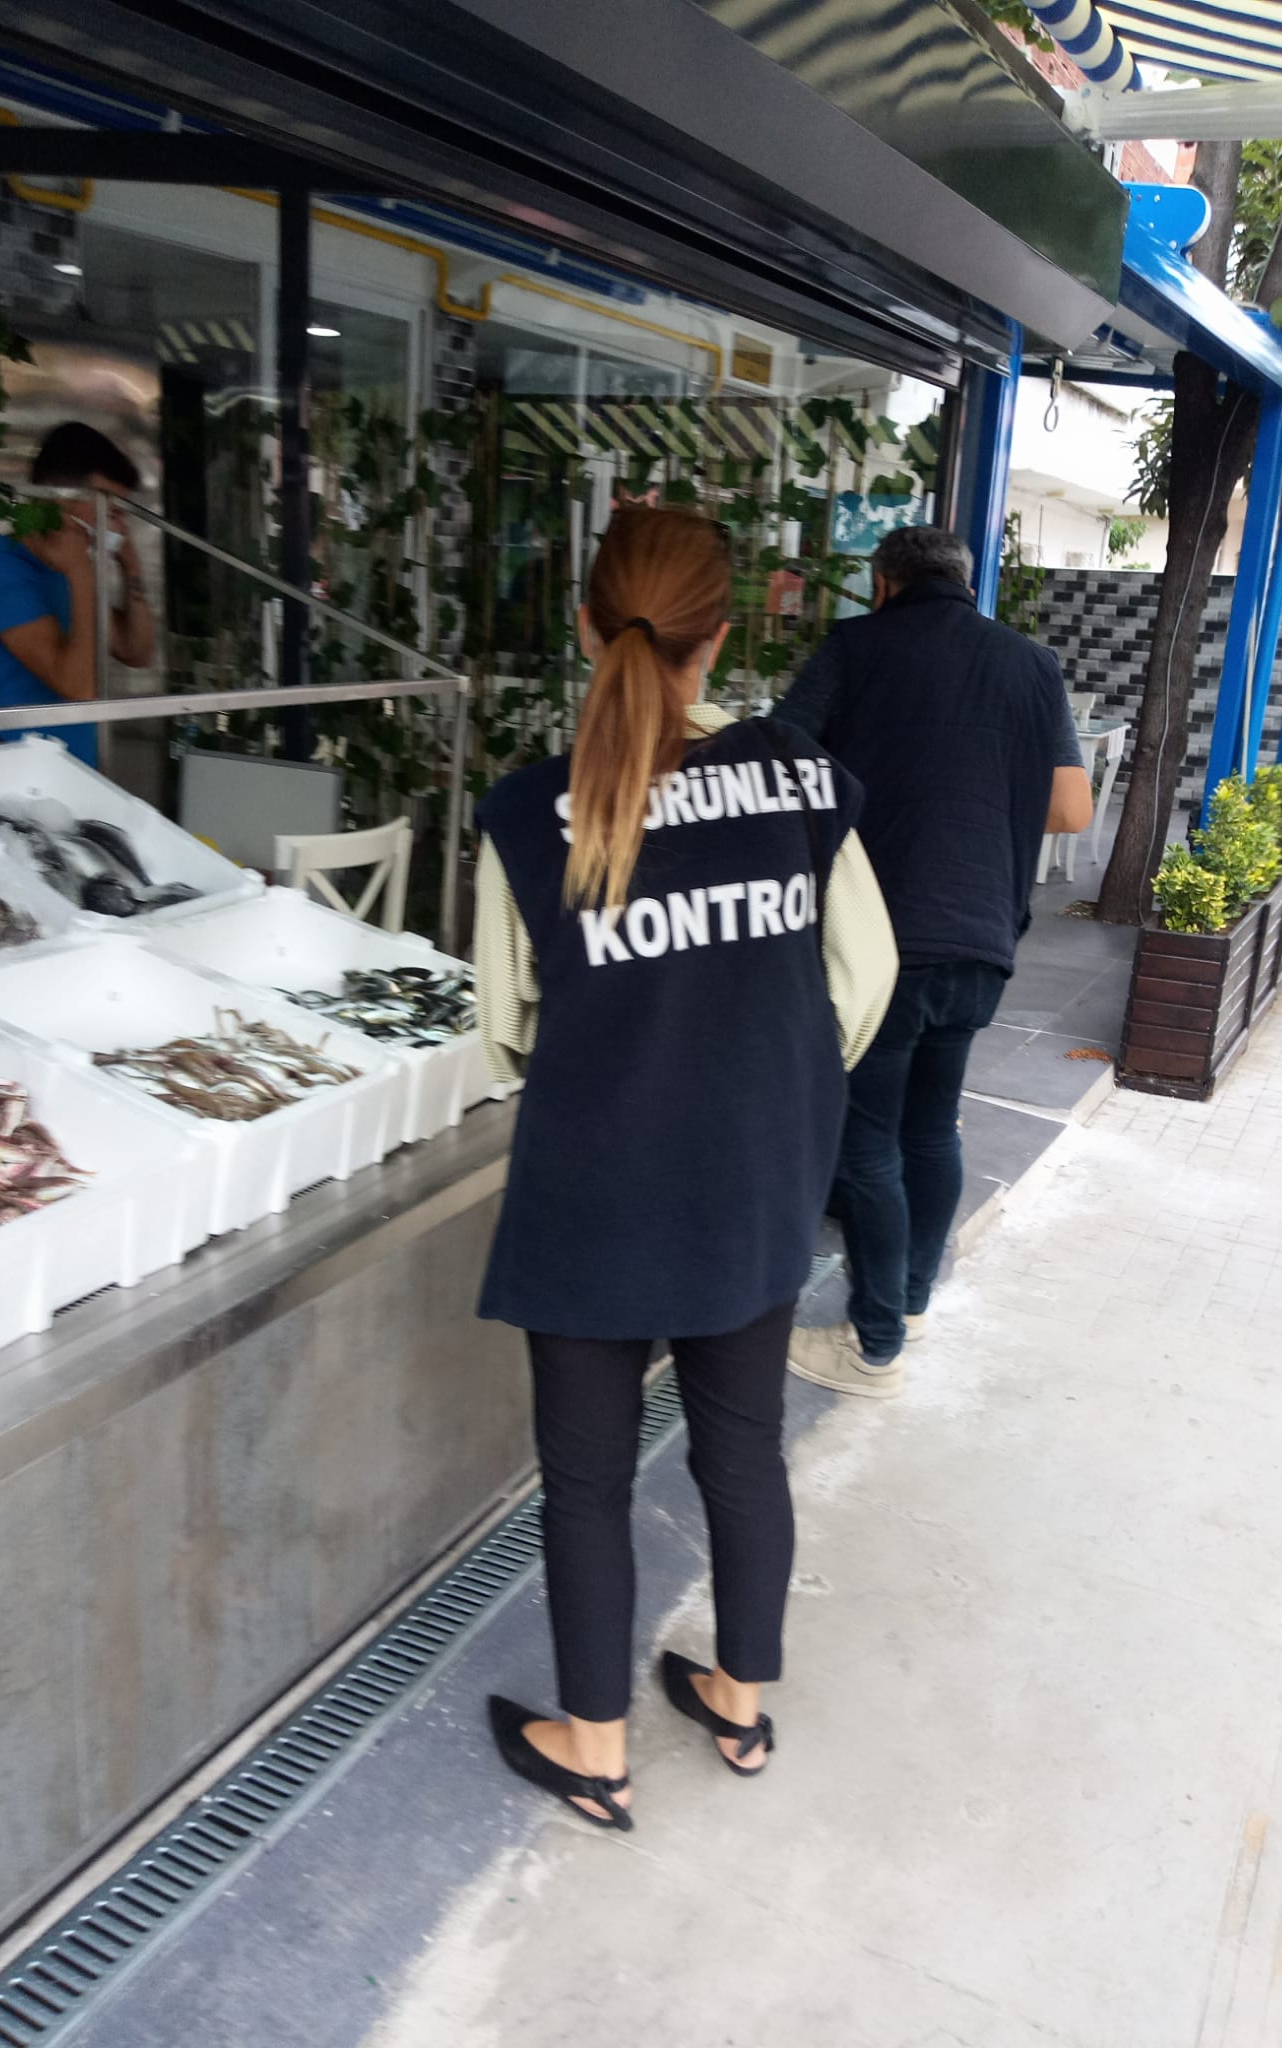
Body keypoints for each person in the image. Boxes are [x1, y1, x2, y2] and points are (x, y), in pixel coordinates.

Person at [473, 506, 898, 1831]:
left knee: (587, 1479)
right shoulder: (798, 779)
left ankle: (593, 1750)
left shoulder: (530, 810)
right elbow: (865, 976)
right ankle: (738, 1702)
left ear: (584, 626)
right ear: (721, 637)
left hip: (592, 1188)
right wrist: (766, 1076)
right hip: (751, 1179)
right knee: (744, 1447)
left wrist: (619, 1066)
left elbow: (506, 1026)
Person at [774, 524, 1093, 1399]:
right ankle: (909, 1306)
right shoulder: (1032, 664)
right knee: (930, 1127)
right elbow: (1072, 810)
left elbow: (780, 762)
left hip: (881, 943)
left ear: (885, 584)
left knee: (868, 1143)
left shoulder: (856, 648)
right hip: (983, 940)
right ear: (966, 583)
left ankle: (873, 1346)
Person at [0, 422, 156, 769]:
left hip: (76, 771)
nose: (118, 526)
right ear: (59, 502)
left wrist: (132, 567)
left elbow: (135, 651)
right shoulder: (2, 574)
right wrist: (81, 573)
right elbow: (78, 688)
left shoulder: (66, 569)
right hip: (25, 780)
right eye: (109, 511)